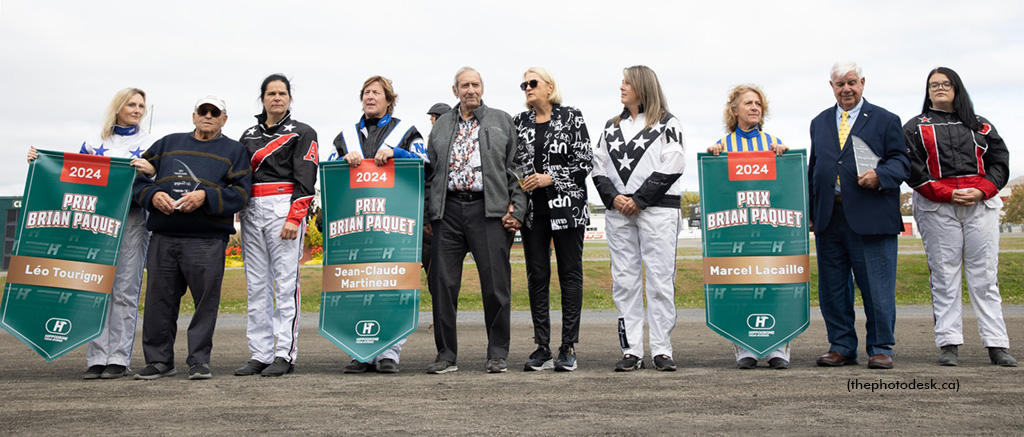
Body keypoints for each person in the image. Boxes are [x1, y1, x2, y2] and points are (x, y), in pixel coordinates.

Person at [27, 88, 154, 380]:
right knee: (96, 289)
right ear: (117, 107)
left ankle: (119, 358)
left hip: (132, 221)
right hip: (95, 224)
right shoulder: (94, 142)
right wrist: (39, 161)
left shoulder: (151, 142)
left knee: (125, 291)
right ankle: (96, 356)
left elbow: (160, 180)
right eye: (131, 104)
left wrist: (151, 169)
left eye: (141, 105)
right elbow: (72, 175)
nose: (137, 110)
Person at [132, 95, 252, 380]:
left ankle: (199, 360)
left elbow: (242, 194)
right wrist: (153, 195)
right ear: (194, 115)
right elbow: (138, 176)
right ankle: (159, 360)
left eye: (215, 112)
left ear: (224, 119)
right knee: (159, 301)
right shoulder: (167, 143)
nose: (208, 116)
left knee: (205, 303)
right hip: (164, 236)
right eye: (203, 111)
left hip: (207, 240)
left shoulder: (234, 151)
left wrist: (206, 196)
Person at [903, 67, 1016, 367]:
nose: (939, 88)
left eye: (945, 84)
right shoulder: (915, 127)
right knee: (944, 275)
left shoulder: (981, 126)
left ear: (956, 88)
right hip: (937, 208)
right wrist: (945, 193)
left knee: (985, 276)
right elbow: (913, 169)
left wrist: (982, 191)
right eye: (933, 85)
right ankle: (949, 343)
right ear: (927, 91)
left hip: (981, 205)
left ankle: (996, 344)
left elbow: (999, 163)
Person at [808, 61, 909, 370]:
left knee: (876, 288)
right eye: (840, 84)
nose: (846, 88)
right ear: (831, 87)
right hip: (830, 218)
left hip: (871, 217)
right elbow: (816, 168)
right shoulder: (820, 122)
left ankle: (880, 347)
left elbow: (902, 163)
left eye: (852, 82)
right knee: (833, 288)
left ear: (863, 82)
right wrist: (813, 212)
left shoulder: (886, 120)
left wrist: (880, 176)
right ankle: (841, 346)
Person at [425, 66, 525, 374]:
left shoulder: (501, 121)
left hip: (489, 211)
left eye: (476, 84)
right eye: (464, 85)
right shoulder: (441, 126)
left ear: (482, 88)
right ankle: (445, 354)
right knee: (442, 284)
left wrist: (518, 208)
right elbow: (432, 173)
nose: (471, 90)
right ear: (454, 91)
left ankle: (497, 353)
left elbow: (517, 168)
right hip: (449, 212)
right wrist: (431, 210)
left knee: (495, 285)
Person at [592, 65, 686, 372]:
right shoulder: (610, 126)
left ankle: (661, 349)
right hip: (618, 211)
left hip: (657, 210)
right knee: (624, 281)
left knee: (659, 280)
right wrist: (614, 197)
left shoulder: (667, 123)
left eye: (627, 83)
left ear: (642, 87)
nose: (621, 87)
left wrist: (639, 199)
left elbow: (674, 163)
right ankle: (631, 349)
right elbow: (598, 166)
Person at [335, 75, 428, 374]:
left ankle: (389, 351)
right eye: (365, 92)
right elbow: (329, 176)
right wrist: (341, 161)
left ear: (389, 99)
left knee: (391, 284)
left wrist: (397, 153)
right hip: (357, 225)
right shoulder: (346, 137)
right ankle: (359, 349)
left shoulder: (405, 131)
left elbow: (426, 166)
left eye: (376, 92)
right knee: (359, 286)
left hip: (394, 223)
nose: (370, 97)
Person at [234, 74, 319, 377]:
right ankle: (260, 352)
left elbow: (306, 176)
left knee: (285, 283)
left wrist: (295, 217)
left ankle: (284, 353)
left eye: (282, 93)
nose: (277, 98)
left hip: (283, 206)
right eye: (271, 93)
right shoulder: (248, 134)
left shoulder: (303, 132)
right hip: (252, 208)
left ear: (289, 98)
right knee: (256, 285)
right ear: (263, 98)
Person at [511, 67, 592, 372]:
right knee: (537, 277)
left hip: (568, 209)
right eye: (524, 84)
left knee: (570, 276)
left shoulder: (572, 117)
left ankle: (568, 346)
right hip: (533, 213)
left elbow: (585, 162)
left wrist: (551, 178)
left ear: (549, 87)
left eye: (533, 83)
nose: (527, 88)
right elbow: (512, 164)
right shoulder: (519, 122)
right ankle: (542, 346)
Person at [706, 84, 790, 369]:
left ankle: (777, 346)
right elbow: (717, 190)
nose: (755, 107)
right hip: (737, 231)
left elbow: (786, 188)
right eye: (748, 103)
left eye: (758, 103)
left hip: (770, 230)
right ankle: (745, 347)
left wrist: (785, 157)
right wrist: (712, 160)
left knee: (771, 285)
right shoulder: (722, 146)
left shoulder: (773, 143)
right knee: (742, 286)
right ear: (734, 110)